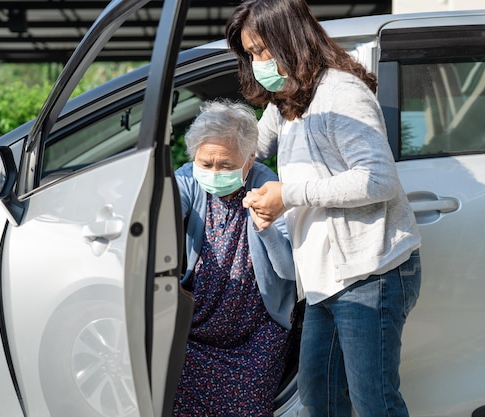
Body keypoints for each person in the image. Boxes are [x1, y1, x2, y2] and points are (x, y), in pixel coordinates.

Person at [226, 1, 422, 416]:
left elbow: (377, 179)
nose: (259, 62)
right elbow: (250, 150)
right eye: (251, 54)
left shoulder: (340, 92)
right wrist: (203, 169)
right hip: (324, 279)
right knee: (320, 400)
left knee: (375, 404)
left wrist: (289, 195)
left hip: (370, 273)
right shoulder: (287, 100)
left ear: (289, 39)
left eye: (262, 49)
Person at [172, 99, 297, 417]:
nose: (213, 173)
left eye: (225, 165)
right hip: (196, 332)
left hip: (256, 334)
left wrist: (266, 227)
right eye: (206, 163)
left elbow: (288, 271)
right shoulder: (188, 178)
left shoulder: (266, 184)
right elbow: (166, 213)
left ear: (249, 160)